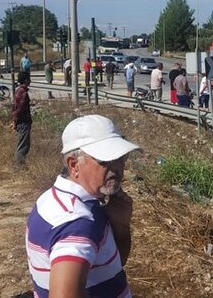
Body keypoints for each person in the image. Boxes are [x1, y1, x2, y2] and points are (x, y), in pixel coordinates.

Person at [25, 114, 139, 298]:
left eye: (121, 157)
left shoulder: (51, 199)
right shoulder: (78, 224)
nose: (117, 167)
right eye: (105, 160)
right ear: (74, 165)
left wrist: (120, 226)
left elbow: (112, 263)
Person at [11, 71, 32, 167]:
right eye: (29, 79)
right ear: (26, 80)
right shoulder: (22, 92)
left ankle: (20, 165)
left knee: (24, 144)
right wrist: (15, 122)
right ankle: (19, 166)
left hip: (21, 122)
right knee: (23, 146)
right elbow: (19, 109)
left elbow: (14, 108)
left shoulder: (18, 91)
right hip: (23, 122)